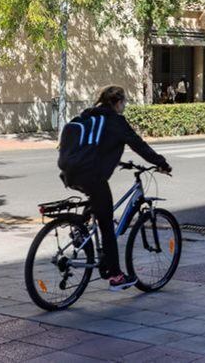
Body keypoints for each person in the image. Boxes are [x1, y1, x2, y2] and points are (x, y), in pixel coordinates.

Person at [58, 86, 171, 290]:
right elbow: (139, 145)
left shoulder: (88, 116)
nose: (124, 105)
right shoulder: (115, 121)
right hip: (92, 175)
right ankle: (116, 276)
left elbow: (95, 146)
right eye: (124, 102)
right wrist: (161, 163)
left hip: (70, 173)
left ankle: (80, 229)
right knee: (106, 224)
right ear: (117, 102)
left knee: (97, 201)